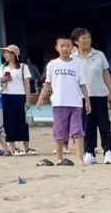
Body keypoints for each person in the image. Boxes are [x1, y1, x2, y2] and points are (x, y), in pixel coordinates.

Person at [37, 36, 92, 166]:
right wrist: (41, 98)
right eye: (62, 46)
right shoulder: (52, 64)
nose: (65, 48)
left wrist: (87, 101)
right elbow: (47, 83)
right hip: (59, 103)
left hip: (76, 103)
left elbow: (83, 84)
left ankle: (80, 158)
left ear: (72, 48)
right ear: (57, 48)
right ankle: (59, 158)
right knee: (59, 131)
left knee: (78, 131)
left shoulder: (77, 65)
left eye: (68, 46)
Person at [72, 28, 111, 164]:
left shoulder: (99, 55)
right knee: (87, 125)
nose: (87, 40)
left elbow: (106, 74)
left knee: (104, 124)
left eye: (88, 37)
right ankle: (89, 152)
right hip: (82, 97)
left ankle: (108, 152)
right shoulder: (72, 58)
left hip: (100, 94)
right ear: (76, 41)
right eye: (83, 38)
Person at [0, 45, 34, 155]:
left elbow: (27, 84)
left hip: (20, 96)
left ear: (14, 54)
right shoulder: (3, 67)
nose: (5, 55)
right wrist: (3, 80)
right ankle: (13, 147)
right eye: (4, 53)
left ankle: (26, 147)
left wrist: (28, 100)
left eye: (7, 53)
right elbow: (0, 84)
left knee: (22, 121)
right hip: (6, 96)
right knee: (9, 121)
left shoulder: (23, 67)